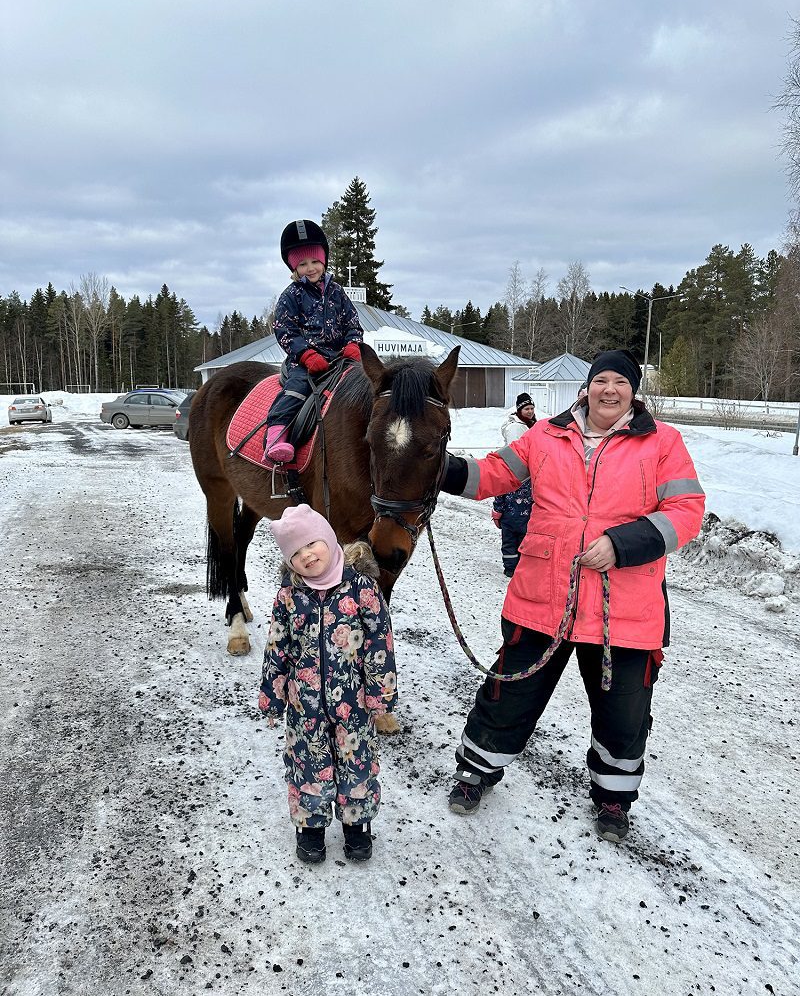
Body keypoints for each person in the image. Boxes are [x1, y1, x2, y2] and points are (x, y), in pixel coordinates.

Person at [440, 349, 705, 842]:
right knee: (510, 692)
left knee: (624, 711)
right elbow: (493, 476)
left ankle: (612, 799)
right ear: (586, 387)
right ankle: (476, 771)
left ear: (633, 391)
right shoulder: (546, 435)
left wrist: (622, 544)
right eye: (600, 380)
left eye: (620, 383)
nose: (609, 390)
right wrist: (434, 466)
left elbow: (688, 510)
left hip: (624, 605)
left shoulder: (662, 442)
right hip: (543, 595)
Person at [259, 504, 397, 863]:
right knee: (307, 762)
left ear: (329, 538)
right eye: (295, 553)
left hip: (354, 702)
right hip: (304, 705)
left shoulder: (362, 588)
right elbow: (278, 649)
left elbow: (379, 643)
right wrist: (272, 697)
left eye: (311, 544)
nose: (306, 556)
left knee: (357, 761)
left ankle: (356, 824)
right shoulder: (288, 598)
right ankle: (310, 826)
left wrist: (380, 694)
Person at [264, 219, 364, 463]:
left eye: (315, 261)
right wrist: (306, 354)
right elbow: (284, 329)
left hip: (340, 358)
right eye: (303, 264)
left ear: (324, 261)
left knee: (368, 385)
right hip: (305, 361)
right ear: (294, 268)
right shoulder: (292, 295)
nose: (311, 268)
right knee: (297, 390)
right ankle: (276, 434)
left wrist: (353, 344)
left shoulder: (337, 292)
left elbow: (352, 322)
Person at [492, 393, 536, 577]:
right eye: (527, 409)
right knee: (511, 538)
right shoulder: (515, 429)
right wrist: (498, 509)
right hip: (514, 497)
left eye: (532, 408)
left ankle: (521, 566)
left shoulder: (531, 425)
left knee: (523, 536)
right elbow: (515, 454)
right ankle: (511, 568)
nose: (530, 411)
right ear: (519, 410)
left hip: (526, 497)